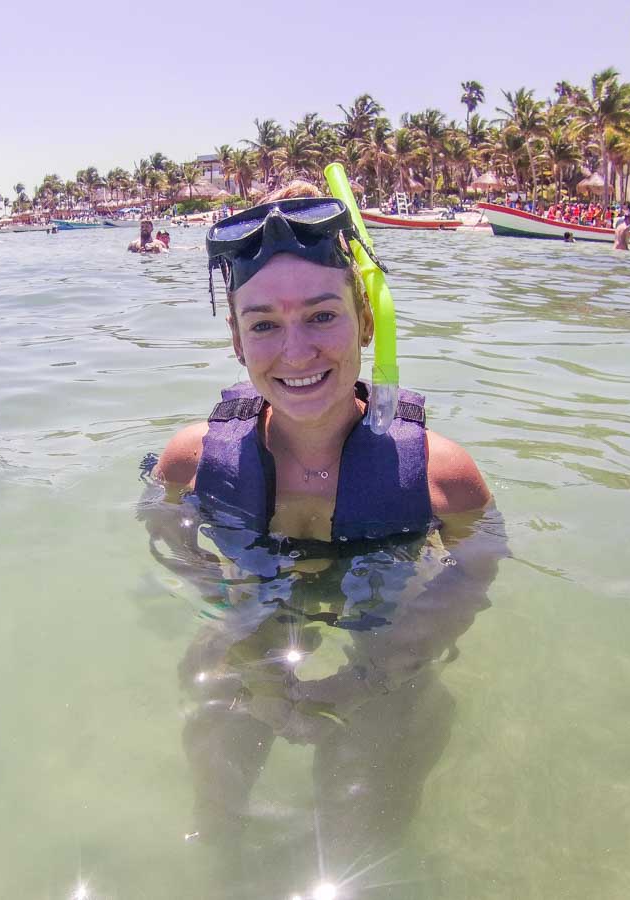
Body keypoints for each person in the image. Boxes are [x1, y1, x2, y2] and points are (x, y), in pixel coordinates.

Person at [144, 182, 503, 886]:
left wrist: (373, 674)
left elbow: (476, 569)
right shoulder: (189, 464)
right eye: (265, 324)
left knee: (369, 813)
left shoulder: (442, 476)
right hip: (261, 596)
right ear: (236, 339)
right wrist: (253, 662)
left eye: (321, 315)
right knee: (212, 717)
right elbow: (176, 554)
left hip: (387, 604)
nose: (297, 350)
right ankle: (220, 860)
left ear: (365, 322)